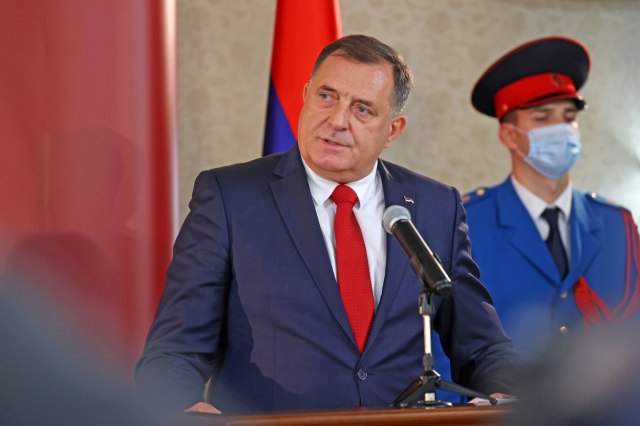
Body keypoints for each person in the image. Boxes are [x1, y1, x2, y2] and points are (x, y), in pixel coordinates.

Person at [135, 34, 518, 415]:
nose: (337, 120)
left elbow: (482, 345)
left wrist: (506, 393)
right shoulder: (230, 197)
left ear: (393, 129)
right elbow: (175, 348)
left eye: (362, 109)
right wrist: (181, 406)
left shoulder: (435, 206)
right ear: (305, 95)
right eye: (326, 96)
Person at [461, 36, 640, 352]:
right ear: (509, 135)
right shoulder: (467, 223)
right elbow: (449, 342)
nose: (561, 128)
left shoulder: (617, 223)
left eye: (569, 117)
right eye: (542, 117)